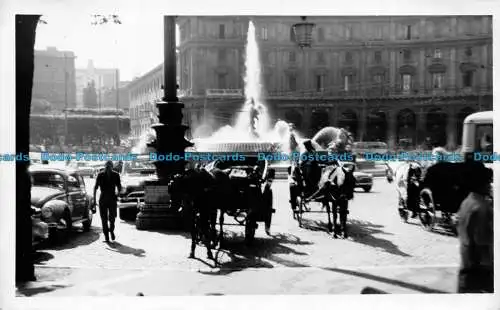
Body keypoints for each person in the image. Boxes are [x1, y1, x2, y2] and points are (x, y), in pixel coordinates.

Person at [456, 165, 493, 293]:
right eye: (488, 182)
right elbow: (482, 240)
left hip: (466, 262)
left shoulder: (467, 202)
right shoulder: (481, 206)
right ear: (480, 184)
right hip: (479, 267)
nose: (490, 185)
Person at [93, 160, 122, 242]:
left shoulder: (102, 174)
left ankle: (108, 234)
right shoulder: (114, 174)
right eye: (108, 166)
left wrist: (94, 201)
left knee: (107, 218)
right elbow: (119, 187)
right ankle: (109, 233)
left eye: (108, 166)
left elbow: (95, 188)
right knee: (109, 218)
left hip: (106, 199)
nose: (108, 167)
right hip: (109, 199)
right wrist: (118, 195)